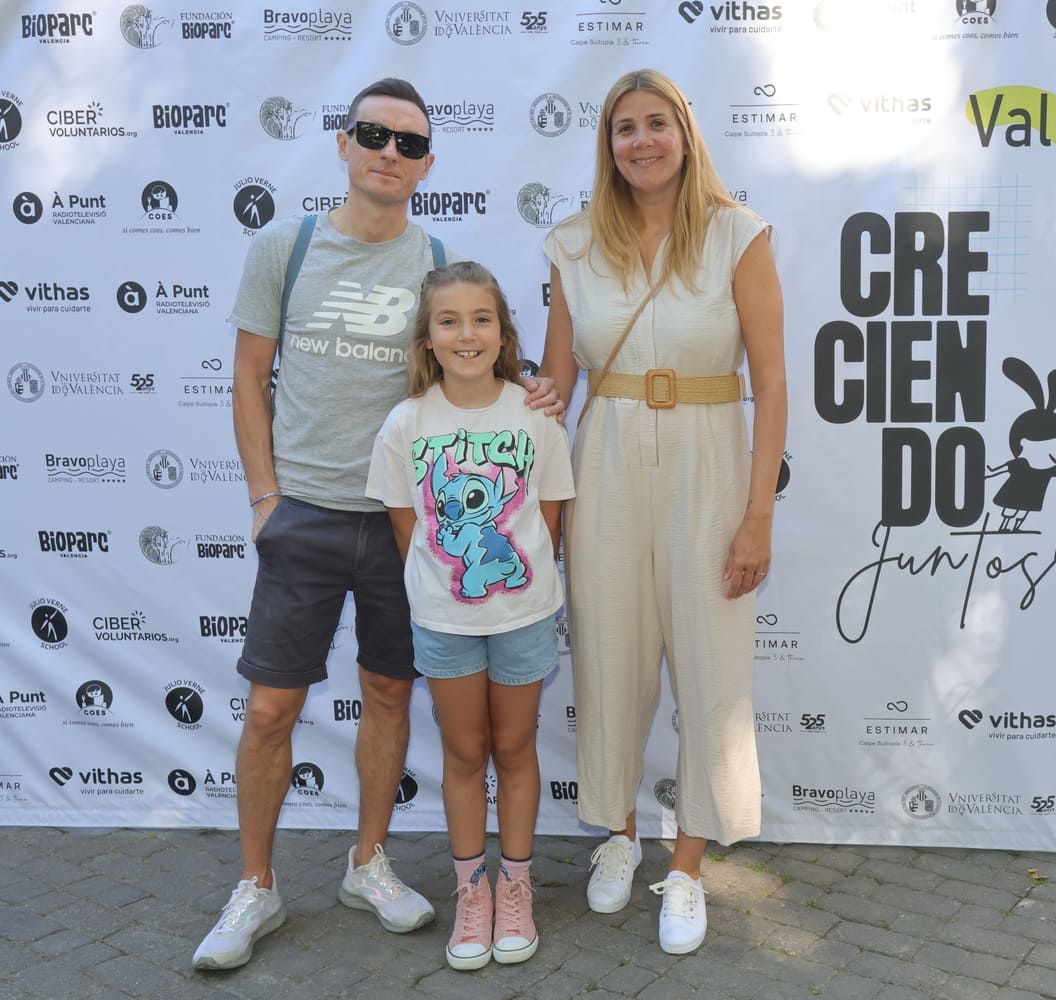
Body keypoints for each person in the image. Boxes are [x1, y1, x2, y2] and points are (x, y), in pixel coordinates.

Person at [194, 77, 558, 971]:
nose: (389, 154)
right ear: (344, 144)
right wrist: (264, 498)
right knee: (273, 708)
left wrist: (541, 386)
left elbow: (482, 368)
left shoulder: (436, 258)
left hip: (413, 530)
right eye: (374, 136)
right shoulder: (288, 245)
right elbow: (248, 378)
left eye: (408, 144)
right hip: (306, 516)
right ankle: (256, 887)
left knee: (391, 694)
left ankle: (369, 862)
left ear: (428, 164)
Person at [540, 68, 787, 955]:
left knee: (710, 669)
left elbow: (773, 385)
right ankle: (617, 836)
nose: (640, 141)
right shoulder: (571, 245)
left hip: (710, 460)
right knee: (609, 658)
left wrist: (757, 514)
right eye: (623, 129)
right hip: (603, 458)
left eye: (656, 124)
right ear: (606, 146)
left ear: (685, 134)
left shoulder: (738, 235)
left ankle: (686, 866)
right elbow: (557, 386)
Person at [367, 261, 574, 970]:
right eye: (449, 321)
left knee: (514, 750)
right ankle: (471, 891)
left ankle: (516, 886)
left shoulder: (535, 415)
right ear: (427, 338)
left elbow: (547, 521)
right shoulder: (405, 424)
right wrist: (449, 588)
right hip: (444, 620)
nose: (466, 334)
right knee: (463, 754)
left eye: (481, 319)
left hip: (522, 613)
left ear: (503, 331)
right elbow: (408, 530)